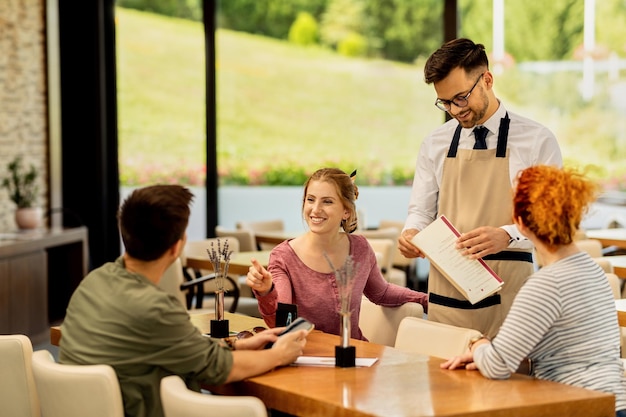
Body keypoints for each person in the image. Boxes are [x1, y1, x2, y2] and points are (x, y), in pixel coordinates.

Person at [59, 185, 308, 417]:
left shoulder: (94, 282)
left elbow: (175, 346)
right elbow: (222, 368)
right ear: (176, 248)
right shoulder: (154, 307)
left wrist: (239, 345)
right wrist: (280, 354)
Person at [398, 38, 562, 338]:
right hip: (448, 294)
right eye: (445, 102)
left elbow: (551, 224)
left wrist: (506, 235)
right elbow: (421, 212)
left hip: (512, 296)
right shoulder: (434, 143)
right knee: (444, 380)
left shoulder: (537, 141)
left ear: (487, 79)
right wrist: (411, 232)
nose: (454, 110)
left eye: (461, 98)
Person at [440, 164, 626, 416]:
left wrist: (477, 342)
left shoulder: (546, 284)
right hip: (613, 402)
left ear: (519, 223)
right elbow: (566, 354)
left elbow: (496, 367)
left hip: (580, 406)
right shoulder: (591, 269)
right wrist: (489, 354)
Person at [246, 167, 429, 340]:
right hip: (306, 357)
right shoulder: (283, 256)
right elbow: (281, 325)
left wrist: (427, 300)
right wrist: (266, 292)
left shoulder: (360, 248)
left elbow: (381, 292)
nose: (315, 209)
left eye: (327, 201)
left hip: (354, 355)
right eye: (310, 199)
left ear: (346, 212)